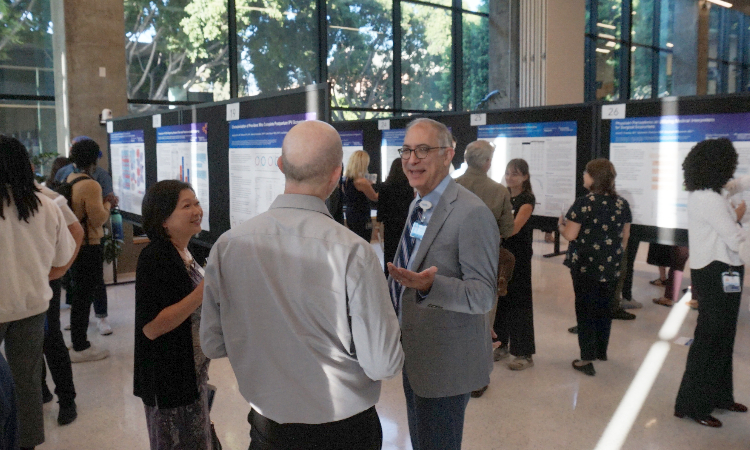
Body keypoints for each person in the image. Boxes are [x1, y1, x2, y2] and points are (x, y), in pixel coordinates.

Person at [201, 120, 403, 450]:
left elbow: (213, 344)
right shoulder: (354, 251)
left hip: (268, 431)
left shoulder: (227, 246)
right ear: (337, 174)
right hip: (345, 431)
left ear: (281, 166)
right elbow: (383, 363)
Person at [387, 118, 499, 450]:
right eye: (407, 150)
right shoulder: (418, 204)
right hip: (416, 355)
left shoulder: (471, 213)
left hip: (447, 364)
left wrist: (429, 287)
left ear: (448, 155)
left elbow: (482, 295)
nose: (412, 159)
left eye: (423, 150)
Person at [0, 135, 77, 450]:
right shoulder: (47, 205)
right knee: (27, 382)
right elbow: (62, 261)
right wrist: (39, 278)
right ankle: (27, 443)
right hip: (32, 308)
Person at [674, 138, 747, 428]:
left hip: (727, 270)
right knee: (709, 339)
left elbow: (737, 197)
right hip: (715, 272)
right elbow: (736, 237)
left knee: (724, 337)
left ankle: (719, 395)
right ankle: (691, 405)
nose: (733, 169)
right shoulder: (707, 198)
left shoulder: (713, 194)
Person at [134, 180, 213, 449]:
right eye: (186, 206)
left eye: (197, 203)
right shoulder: (155, 257)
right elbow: (152, 328)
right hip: (169, 381)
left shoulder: (185, 252)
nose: (196, 211)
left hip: (191, 375)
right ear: (164, 219)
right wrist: (202, 292)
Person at [559, 158, 631, 377]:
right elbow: (625, 237)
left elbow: (571, 235)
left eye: (585, 173)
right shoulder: (622, 203)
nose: (583, 176)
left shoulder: (584, 203)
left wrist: (560, 226)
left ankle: (586, 358)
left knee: (585, 309)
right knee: (604, 308)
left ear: (593, 177)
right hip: (611, 266)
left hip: (585, 267)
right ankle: (601, 351)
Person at [34, 179, 84, 426]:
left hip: (44, 278)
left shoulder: (46, 195)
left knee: (50, 337)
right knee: (29, 341)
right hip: (20, 282)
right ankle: (41, 389)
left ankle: (67, 399)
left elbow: (77, 230)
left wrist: (59, 270)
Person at [67, 139, 117, 362]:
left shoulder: (70, 178)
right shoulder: (91, 184)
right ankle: (81, 345)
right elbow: (98, 219)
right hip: (89, 245)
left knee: (79, 294)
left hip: (75, 245)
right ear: (94, 158)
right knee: (85, 294)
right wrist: (108, 204)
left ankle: (78, 341)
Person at [495, 158, 536, 371]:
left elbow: (514, 228)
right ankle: (501, 344)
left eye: (515, 174)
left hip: (518, 257)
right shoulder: (503, 195)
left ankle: (523, 352)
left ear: (525, 177)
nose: (510, 177)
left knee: (519, 302)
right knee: (501, 299)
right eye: (508, 172)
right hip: (501, 255)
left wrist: (492, 231)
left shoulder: (527, 199)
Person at [377, 158, 415, 272]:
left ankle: (389, 275)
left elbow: (381, 207)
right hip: (404, 223)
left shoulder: (384, 186)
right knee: (404, 251)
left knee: (389, 252)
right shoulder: (408, 186)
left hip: (390, 224)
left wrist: (378, 224)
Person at [343, 150, 378, 242]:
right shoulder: (361, 182)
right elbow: (374, 197)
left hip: (350, 214)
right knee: (365, 242)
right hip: (362, 217)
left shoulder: (346, 180)